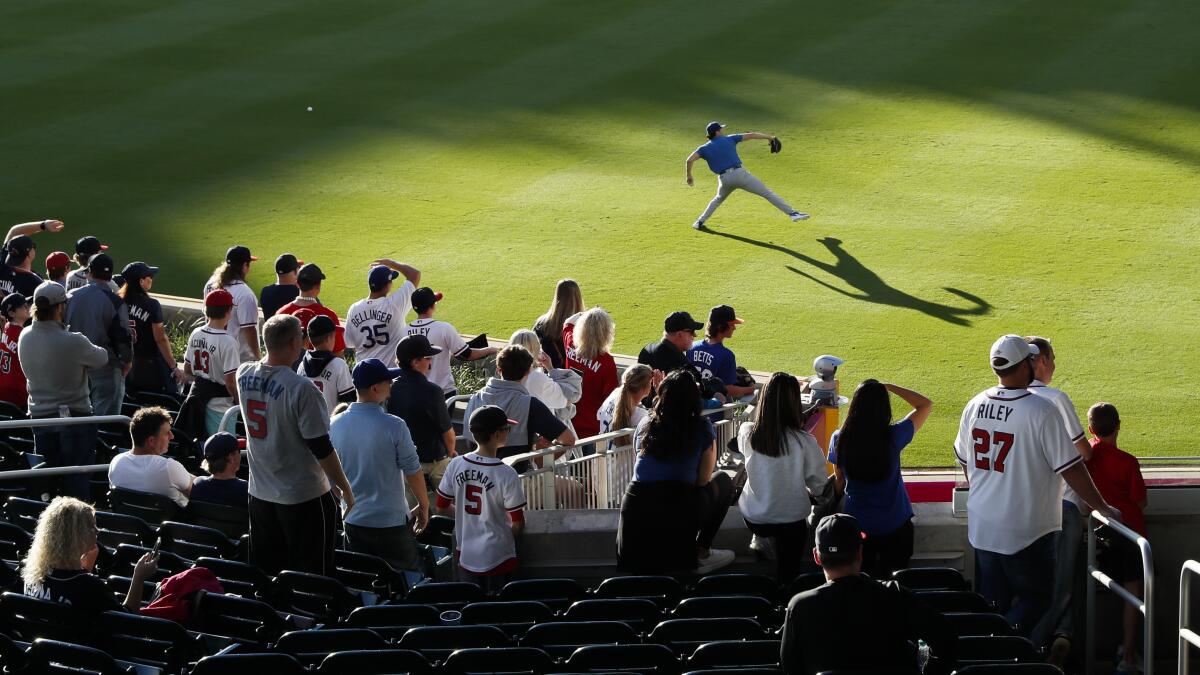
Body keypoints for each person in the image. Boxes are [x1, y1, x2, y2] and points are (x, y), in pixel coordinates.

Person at [954, 334, 1120, 637]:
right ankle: (1005, 648)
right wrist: (1103, 508)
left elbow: (966, 461)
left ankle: (994, 655)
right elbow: (1073, 470)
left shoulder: (974, 404)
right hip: (1028, 532)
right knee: (1039, 602)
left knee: (994, 605)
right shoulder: (1041, 410)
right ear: (1022, 365)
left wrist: (988, 490)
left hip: (982, 528)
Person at [237, 314, 355, 576]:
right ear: (294, 343)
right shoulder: (302, 389)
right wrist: (345, 488)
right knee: (312, 573)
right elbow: (321, 446)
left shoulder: (243, 374)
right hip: (304, 495)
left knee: (268, 570)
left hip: (260, 493)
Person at [780, 514, 956, 675]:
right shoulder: (894, 595)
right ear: (860, 553)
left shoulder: (799, 607)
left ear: (817, 557)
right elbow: (946, 637)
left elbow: (789, 667)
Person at [618, 369, 735, 574]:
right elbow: (703, 480)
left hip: (635, 511)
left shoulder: (645, 424)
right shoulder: (701, 427)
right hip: (678, 507)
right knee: (723, 481)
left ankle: (693, 551)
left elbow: (643, 469)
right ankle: (701, 551)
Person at [1023, 336, 1095, 657]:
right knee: (1061, 581)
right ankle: (1046, 643)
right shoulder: (1055, 398)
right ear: (1038, 361)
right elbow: (1083, 454)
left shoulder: (996, 399)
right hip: (1060, 504)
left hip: (1020, 508)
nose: (1054, 366)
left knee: (1030, 582)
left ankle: (1050, 641)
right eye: (1052, 359)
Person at [331, 358, 430, 571]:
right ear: (375, 388)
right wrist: (424, 505)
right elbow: (413, 471)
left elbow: (329, 476)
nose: (391, 385)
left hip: (353, 521)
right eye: (388, 381)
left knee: (362, 582)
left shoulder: (334, 424)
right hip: (391, 522)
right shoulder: (394, 425)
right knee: (409, 582)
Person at [828, 380, 933, 579]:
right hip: (896, 524)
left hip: (857, 525)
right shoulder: (894, 436)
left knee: (862, 586)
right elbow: (925, 404)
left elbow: (839, 481)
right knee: (895, 585)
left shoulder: (839, 438)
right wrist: (890, 386)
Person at [17, 282, 108, 499]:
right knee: (76, 481)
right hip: (75, 421)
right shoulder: (73, 341)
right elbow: (102, 357)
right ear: (59, 308)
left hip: (40, 421)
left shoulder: (25, 335)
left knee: (47, 482)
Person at [738, 373, 829, 583]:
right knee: (789, 574)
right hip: (790, 523)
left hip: (754, 518)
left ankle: (761, 538)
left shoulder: (746, 432)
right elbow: (820, 486)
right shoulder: (805, 441)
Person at [1083, 403, 1147, 674]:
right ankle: (1128, 657)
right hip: (1130, 536)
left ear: (1090, 429)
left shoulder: (1088, 456)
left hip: (1101, 535)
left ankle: (1118, 654)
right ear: (1119, 425)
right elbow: (1140, 502)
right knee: (1134, 592)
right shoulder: (1127, 462)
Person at [435, 405, 528, 593]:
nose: (508, 432)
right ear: (496, 434)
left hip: (466, 553)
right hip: (498, 555)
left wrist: (466, 517)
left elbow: (441, 506)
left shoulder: (456, 464)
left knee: (472, 607)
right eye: (506, 429)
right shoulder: (506, 473)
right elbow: (518, 522)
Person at [22, 497, 158, 613]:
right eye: (91, 526)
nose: (97, 530)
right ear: (75, 536)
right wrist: (139, 577)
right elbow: (127, 620)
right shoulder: (90, 586)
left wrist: (85, 569)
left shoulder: (32, 575)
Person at [686, 121, 808, 230]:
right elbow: (751, 135)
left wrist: (689, 176)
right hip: (740, 175)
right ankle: (793, 214)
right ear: (717, 132)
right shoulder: (729, 139)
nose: (723, 130)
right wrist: (770, 137)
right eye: (721, 128)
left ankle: (699, 222)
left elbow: (689, 160)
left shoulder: (703, 149)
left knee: (717, 200)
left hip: (724, 180)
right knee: (767, 193)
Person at [462, 345, 576, 458]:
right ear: (527, 372)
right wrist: (543, 456)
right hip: (518, 474)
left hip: (475, 472)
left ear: (498, 369)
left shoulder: (475, 397)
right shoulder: (530, 404)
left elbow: (468, 440)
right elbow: (568, 439)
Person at [63, 253, 132, 416]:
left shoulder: (71, 296)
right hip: (106, 368)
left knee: (76, 418)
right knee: (105, 423)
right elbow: (123, 336)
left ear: (90, 272)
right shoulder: (115, 301)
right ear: (110, 276)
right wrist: (127, 361)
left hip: (75, 367)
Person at [388, 334, 456, 487]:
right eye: (428, 357)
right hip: (434, 464)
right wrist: (451, 453)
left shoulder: (389, 389)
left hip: (403, 465)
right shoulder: (432, 391)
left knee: (411, 510)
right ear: (415, 362)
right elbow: (449, 435)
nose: (431, 362)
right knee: (445, 507)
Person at [406, 286, 497, 395]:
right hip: (443, 393)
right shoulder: (444, 328)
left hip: (414, 392)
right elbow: (466, 354)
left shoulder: (404, 331)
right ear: (432, 306)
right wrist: (489, 350)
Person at [179, 289, 241, 438]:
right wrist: (241, 403)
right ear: (228, 311)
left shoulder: (196, 333)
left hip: (196, 401)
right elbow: (230, 382)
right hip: (220, 407)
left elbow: (188, 370)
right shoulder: (228, 341)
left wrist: (204, 382)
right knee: (224, 454)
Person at [108, 407, 195, 507]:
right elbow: (201, 491)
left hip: (128, 522)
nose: (172, 436)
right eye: (167, 433)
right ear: (151, 441)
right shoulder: (168, 468)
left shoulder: (116, 462)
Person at [345, 260, 420, 366]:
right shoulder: (394, 305)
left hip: (363, 375)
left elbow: (350, 343)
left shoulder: (354, 309)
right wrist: (390, 263)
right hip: (389, 375)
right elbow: (415, 274)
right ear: (388, 285)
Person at [120, 262, 179, 396]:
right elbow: (160, 339)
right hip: (150, 365)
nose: (152, 279)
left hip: (125, 363)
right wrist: (174, 366)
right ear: (141, 281)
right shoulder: (152, 305)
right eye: (150, 276)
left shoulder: (117, 302)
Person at [509, 329, 582, 432]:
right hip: (540, 436)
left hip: (516, 431)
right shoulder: (537, 378)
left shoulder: (505, 372)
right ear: (536, 349)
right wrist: (551, 370)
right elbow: (571, 396)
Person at [563, 307, 618, 442]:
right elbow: (612, 400)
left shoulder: (570, 344)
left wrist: (584, 314)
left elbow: (568, 323)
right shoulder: (607, 362)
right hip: (593, 429)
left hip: (569, 422)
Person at [203, 245, 261, 363]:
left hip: (213, 352)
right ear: (244, 266)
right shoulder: (245, 293)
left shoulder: (210, 285)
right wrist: (258, 358)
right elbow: (249, 330)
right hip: (238, 359)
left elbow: (207, 318)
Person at [687, 305, 755, 400]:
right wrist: (750, 389)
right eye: (731, 324)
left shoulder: (692, 347)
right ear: (720, 326)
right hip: (716, 409)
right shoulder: (726, 355)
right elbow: (728, 389)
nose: (734, 328)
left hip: (693, 404)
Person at [277, 262, 346, 355]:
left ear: (297, 283)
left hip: (287, 367)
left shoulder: (281, 313)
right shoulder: (329, 315)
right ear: (318, 286)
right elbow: (337, 352)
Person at [298, 315, 354, 414]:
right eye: (334, 335)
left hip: (306, 424)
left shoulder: (302, 365)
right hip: (331, 426)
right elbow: (348, 404)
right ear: (328, 338)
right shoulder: (339, 365)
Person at [1, 219, 64, 297]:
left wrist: (43, 225)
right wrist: (43, 225)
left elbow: (14, 231)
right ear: (29, 254)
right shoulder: (34, 282)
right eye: (33, 246)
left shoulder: (3, 265)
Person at [596, 364, 654, 446]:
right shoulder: (642, 415)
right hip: (625, 458)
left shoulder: (614, 395)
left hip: (605, 456)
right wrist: (660, 390)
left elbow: (599, 416)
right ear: (646, 387)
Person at [532, 279, 582, 369]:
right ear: (578, 297)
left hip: (550, 376)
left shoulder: (541, 324)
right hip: (576, 378)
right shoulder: (585, 325)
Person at [190, 432, 249, 508]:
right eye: (239, 451)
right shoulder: (245, 489)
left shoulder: (198, 484)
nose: (240, 455)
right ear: (231, 458)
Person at [0, 293, 31, 410]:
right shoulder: (22, 334)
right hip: (17, 391)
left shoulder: (7, 327)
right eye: (23, 306)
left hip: (4, 387)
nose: (28, 307)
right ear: (12, 313)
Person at [259, 253, 302, 319]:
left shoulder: (265, 291)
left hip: (271, 328)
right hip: (293, 329)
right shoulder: (299, 293)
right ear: (296, 271)